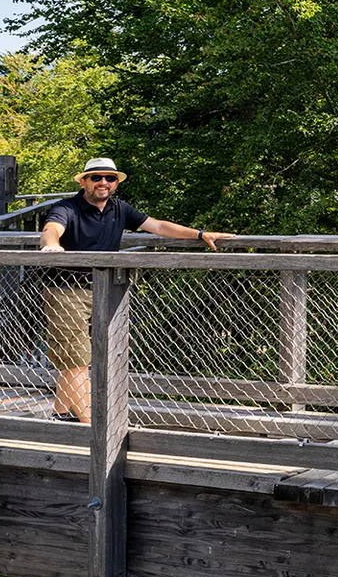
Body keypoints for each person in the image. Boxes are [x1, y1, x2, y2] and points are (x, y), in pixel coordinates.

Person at [38, 157, 232, 422]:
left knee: (78, 356)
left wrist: (200, 234)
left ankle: (61, 415)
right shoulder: (67, 208)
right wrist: (52, 246)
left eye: (110, 178)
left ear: (116, 182)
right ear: (83, 181)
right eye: (96, 177)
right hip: (66, 289)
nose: (103, 183)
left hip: (103, 289)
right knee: (75, 358)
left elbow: (159, 227)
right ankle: (93, 425)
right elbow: (52, 228)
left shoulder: (120, 209)